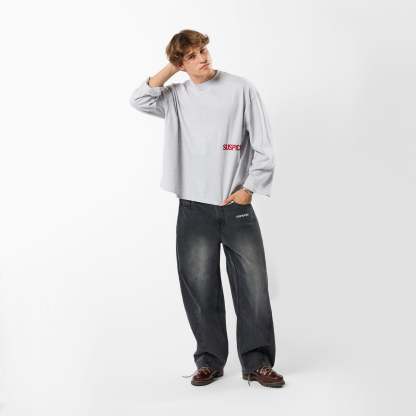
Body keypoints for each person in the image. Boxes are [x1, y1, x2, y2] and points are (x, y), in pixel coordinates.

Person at [129, 29, 285, 388]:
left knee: (253, 287)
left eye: (203, 50)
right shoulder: (176, 97)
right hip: (193, 207)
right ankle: (209, 361)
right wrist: (171, 68)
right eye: (192, 55)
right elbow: (139, 98)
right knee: (200, 288)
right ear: (180, 64)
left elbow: (264, 144)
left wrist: (249, 188)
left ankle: (258, 362)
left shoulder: (240, 89)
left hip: (235, 205)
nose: (203, 58)